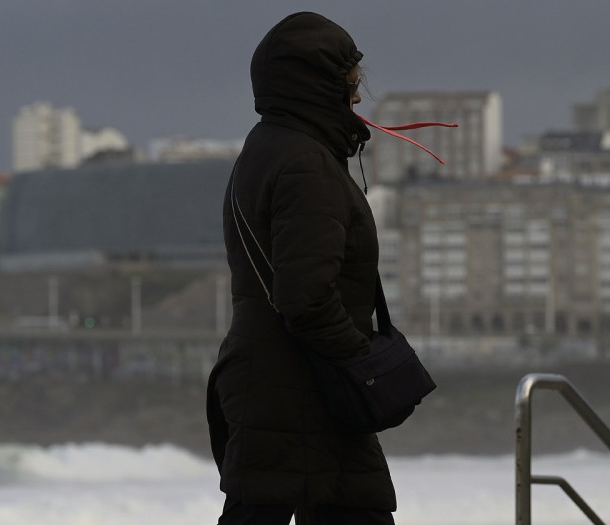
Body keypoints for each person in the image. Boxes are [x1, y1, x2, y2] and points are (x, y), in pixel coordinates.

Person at [206, 11, 396, 525]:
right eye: (351, 85)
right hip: (300, 393)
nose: (358, 99)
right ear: (317, 86)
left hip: (276, 386)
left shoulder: (265, 149)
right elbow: (305, 297)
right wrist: (367, 366)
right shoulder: (305, 163)